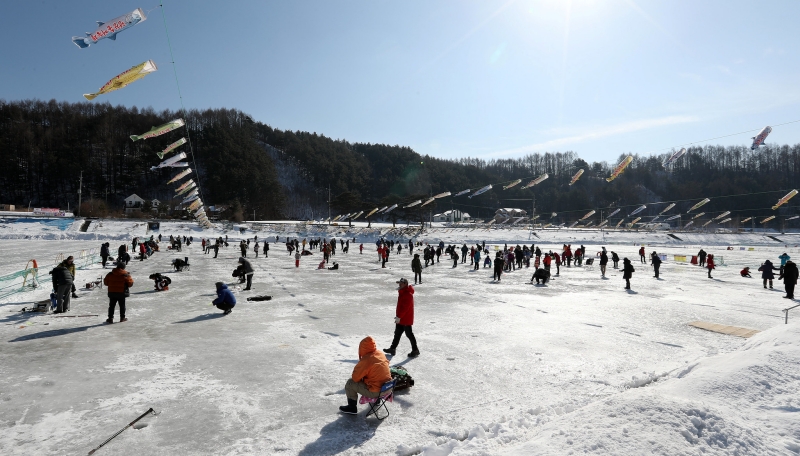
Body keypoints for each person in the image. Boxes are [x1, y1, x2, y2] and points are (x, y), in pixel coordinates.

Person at [339, 336, 392, 415]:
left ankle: (352, 408)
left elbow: (355, 378)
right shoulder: (380, 353)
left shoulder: (366, 360)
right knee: (376, 378)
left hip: (377, 392)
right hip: (388, 388)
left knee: (350, 383)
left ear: (362, 349)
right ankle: (377, 400)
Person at [383, 278, 420, 357]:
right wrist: (398, 317)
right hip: (401, 318)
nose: (399, 285)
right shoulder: (402, 292)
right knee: (397, 333)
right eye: (399, 283)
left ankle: (415, 350)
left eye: (401, 283)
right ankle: (393, 348)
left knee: (409, 334)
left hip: (405, 318)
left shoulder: (408, 294)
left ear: (405, 284)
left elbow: (405, 308)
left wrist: (399, 317)